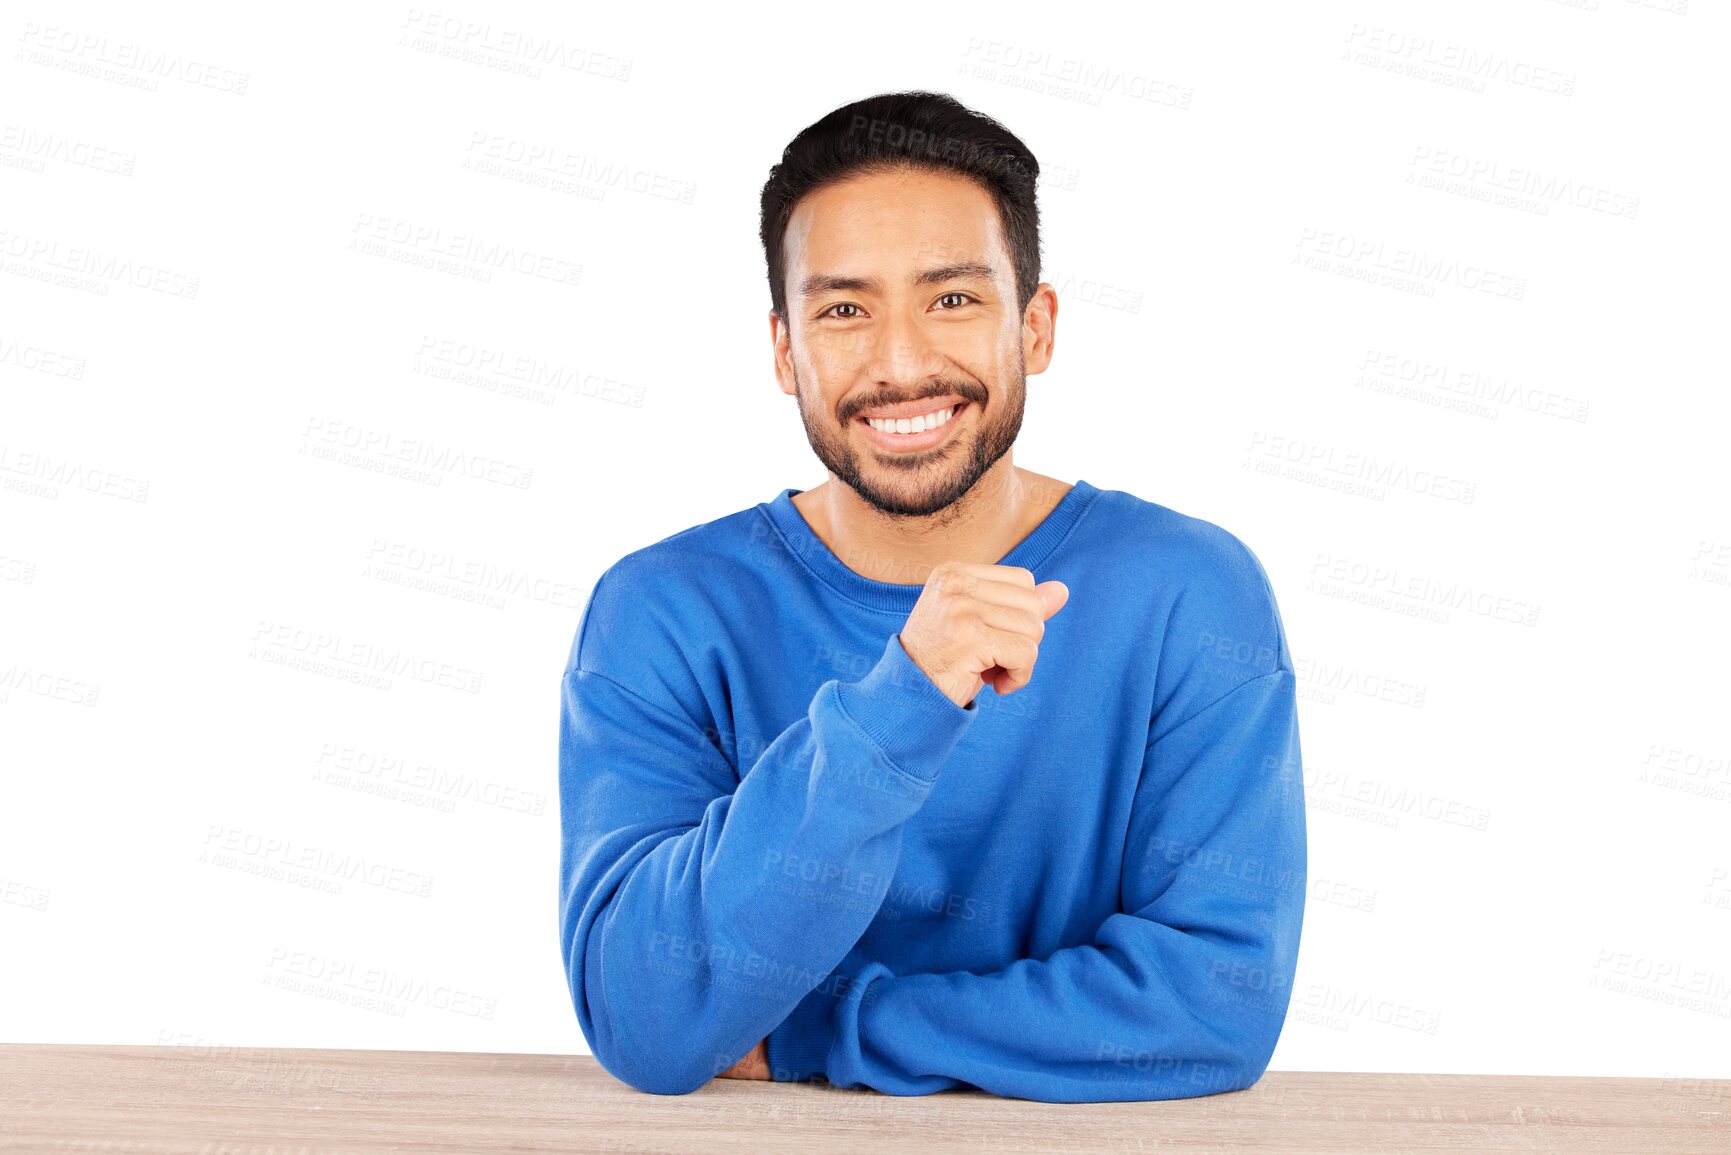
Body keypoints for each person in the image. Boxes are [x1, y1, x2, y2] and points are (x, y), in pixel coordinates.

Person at [557, 90, 1306, 1103]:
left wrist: (830, 1031)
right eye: (844, 309)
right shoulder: (660, 614)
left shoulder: (1189, 594)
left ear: (1035, 328)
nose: (902, 364)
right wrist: (903, 699)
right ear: (785, 350)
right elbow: (644, 1017)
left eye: (952, 299)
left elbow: (1214, 1006)